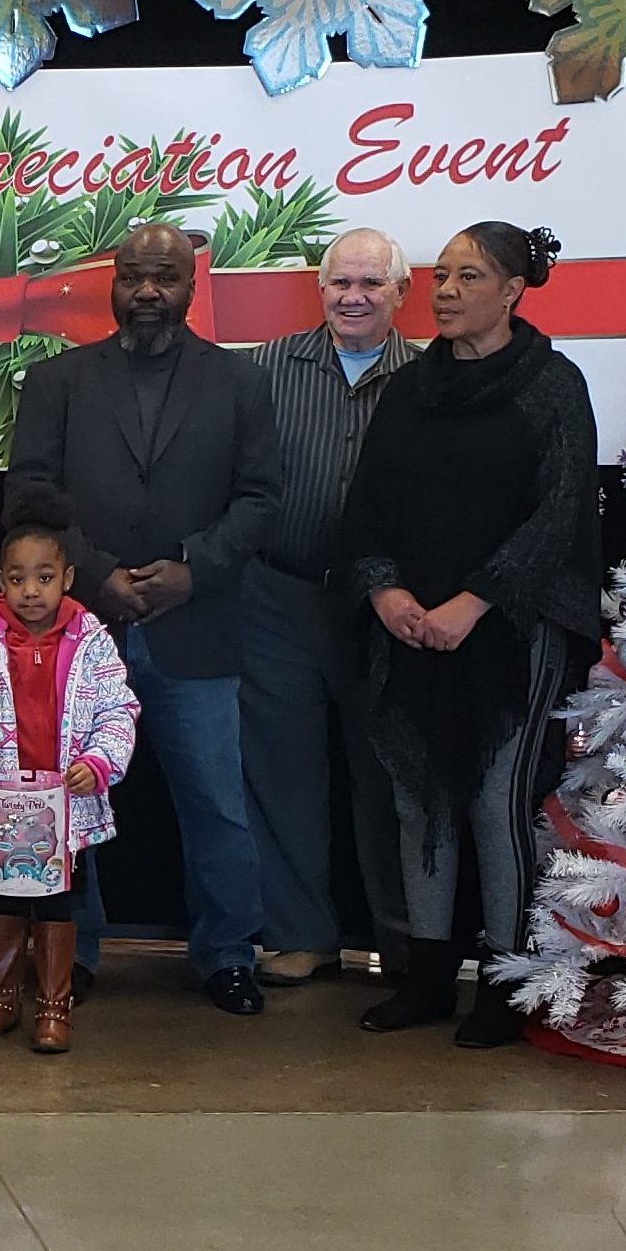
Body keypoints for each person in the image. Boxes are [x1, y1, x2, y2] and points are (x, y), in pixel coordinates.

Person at [340, 220, 601, 1048]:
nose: (446, 291)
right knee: (421, 800)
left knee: (495, 804)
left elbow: (557, 517)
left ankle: (505, 980)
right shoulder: (408, 389)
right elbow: (365, 505)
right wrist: (385, 593)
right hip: (411, 628)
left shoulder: (553, 384)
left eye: (468, 276)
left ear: (513, 288)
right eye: (440, 275)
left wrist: (471, 602)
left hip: (511, 631)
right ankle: (423, 977)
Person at [11, 223, 282, 1016]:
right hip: (82, 631)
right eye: (132, 277)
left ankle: (228, 954)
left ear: (190, 286)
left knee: (216, 805)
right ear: (113, 283)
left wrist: (193, 568)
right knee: (71, 799)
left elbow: (261, 499)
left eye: (162, 277)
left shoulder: (239, 382)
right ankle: (73, 951)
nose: (146, 292)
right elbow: (30, 492)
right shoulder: (57, 381)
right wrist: (94, 574)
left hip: (194, 627)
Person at [244, 228, 418, 987]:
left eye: (370, 284)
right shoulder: (264, 368)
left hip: (386, 612)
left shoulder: (428, 377)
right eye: (340, 283)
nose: (353, 296)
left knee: (385, 777)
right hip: (279, 597)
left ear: (399, 293)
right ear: (319, 290)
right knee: (281, 775)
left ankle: (404, 945)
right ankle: (300, 934)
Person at [0, 484, 138, 1054]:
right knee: (1, 898)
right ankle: (1, 998)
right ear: (1, 581)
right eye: (17, 578)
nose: (30, 591)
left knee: (58, 901)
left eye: (43, 578)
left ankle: (53, 1005)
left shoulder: (91, 641)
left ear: (67, 579)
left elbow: (118, 709)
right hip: (0, 803)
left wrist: (100, 762)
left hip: (66, 806)